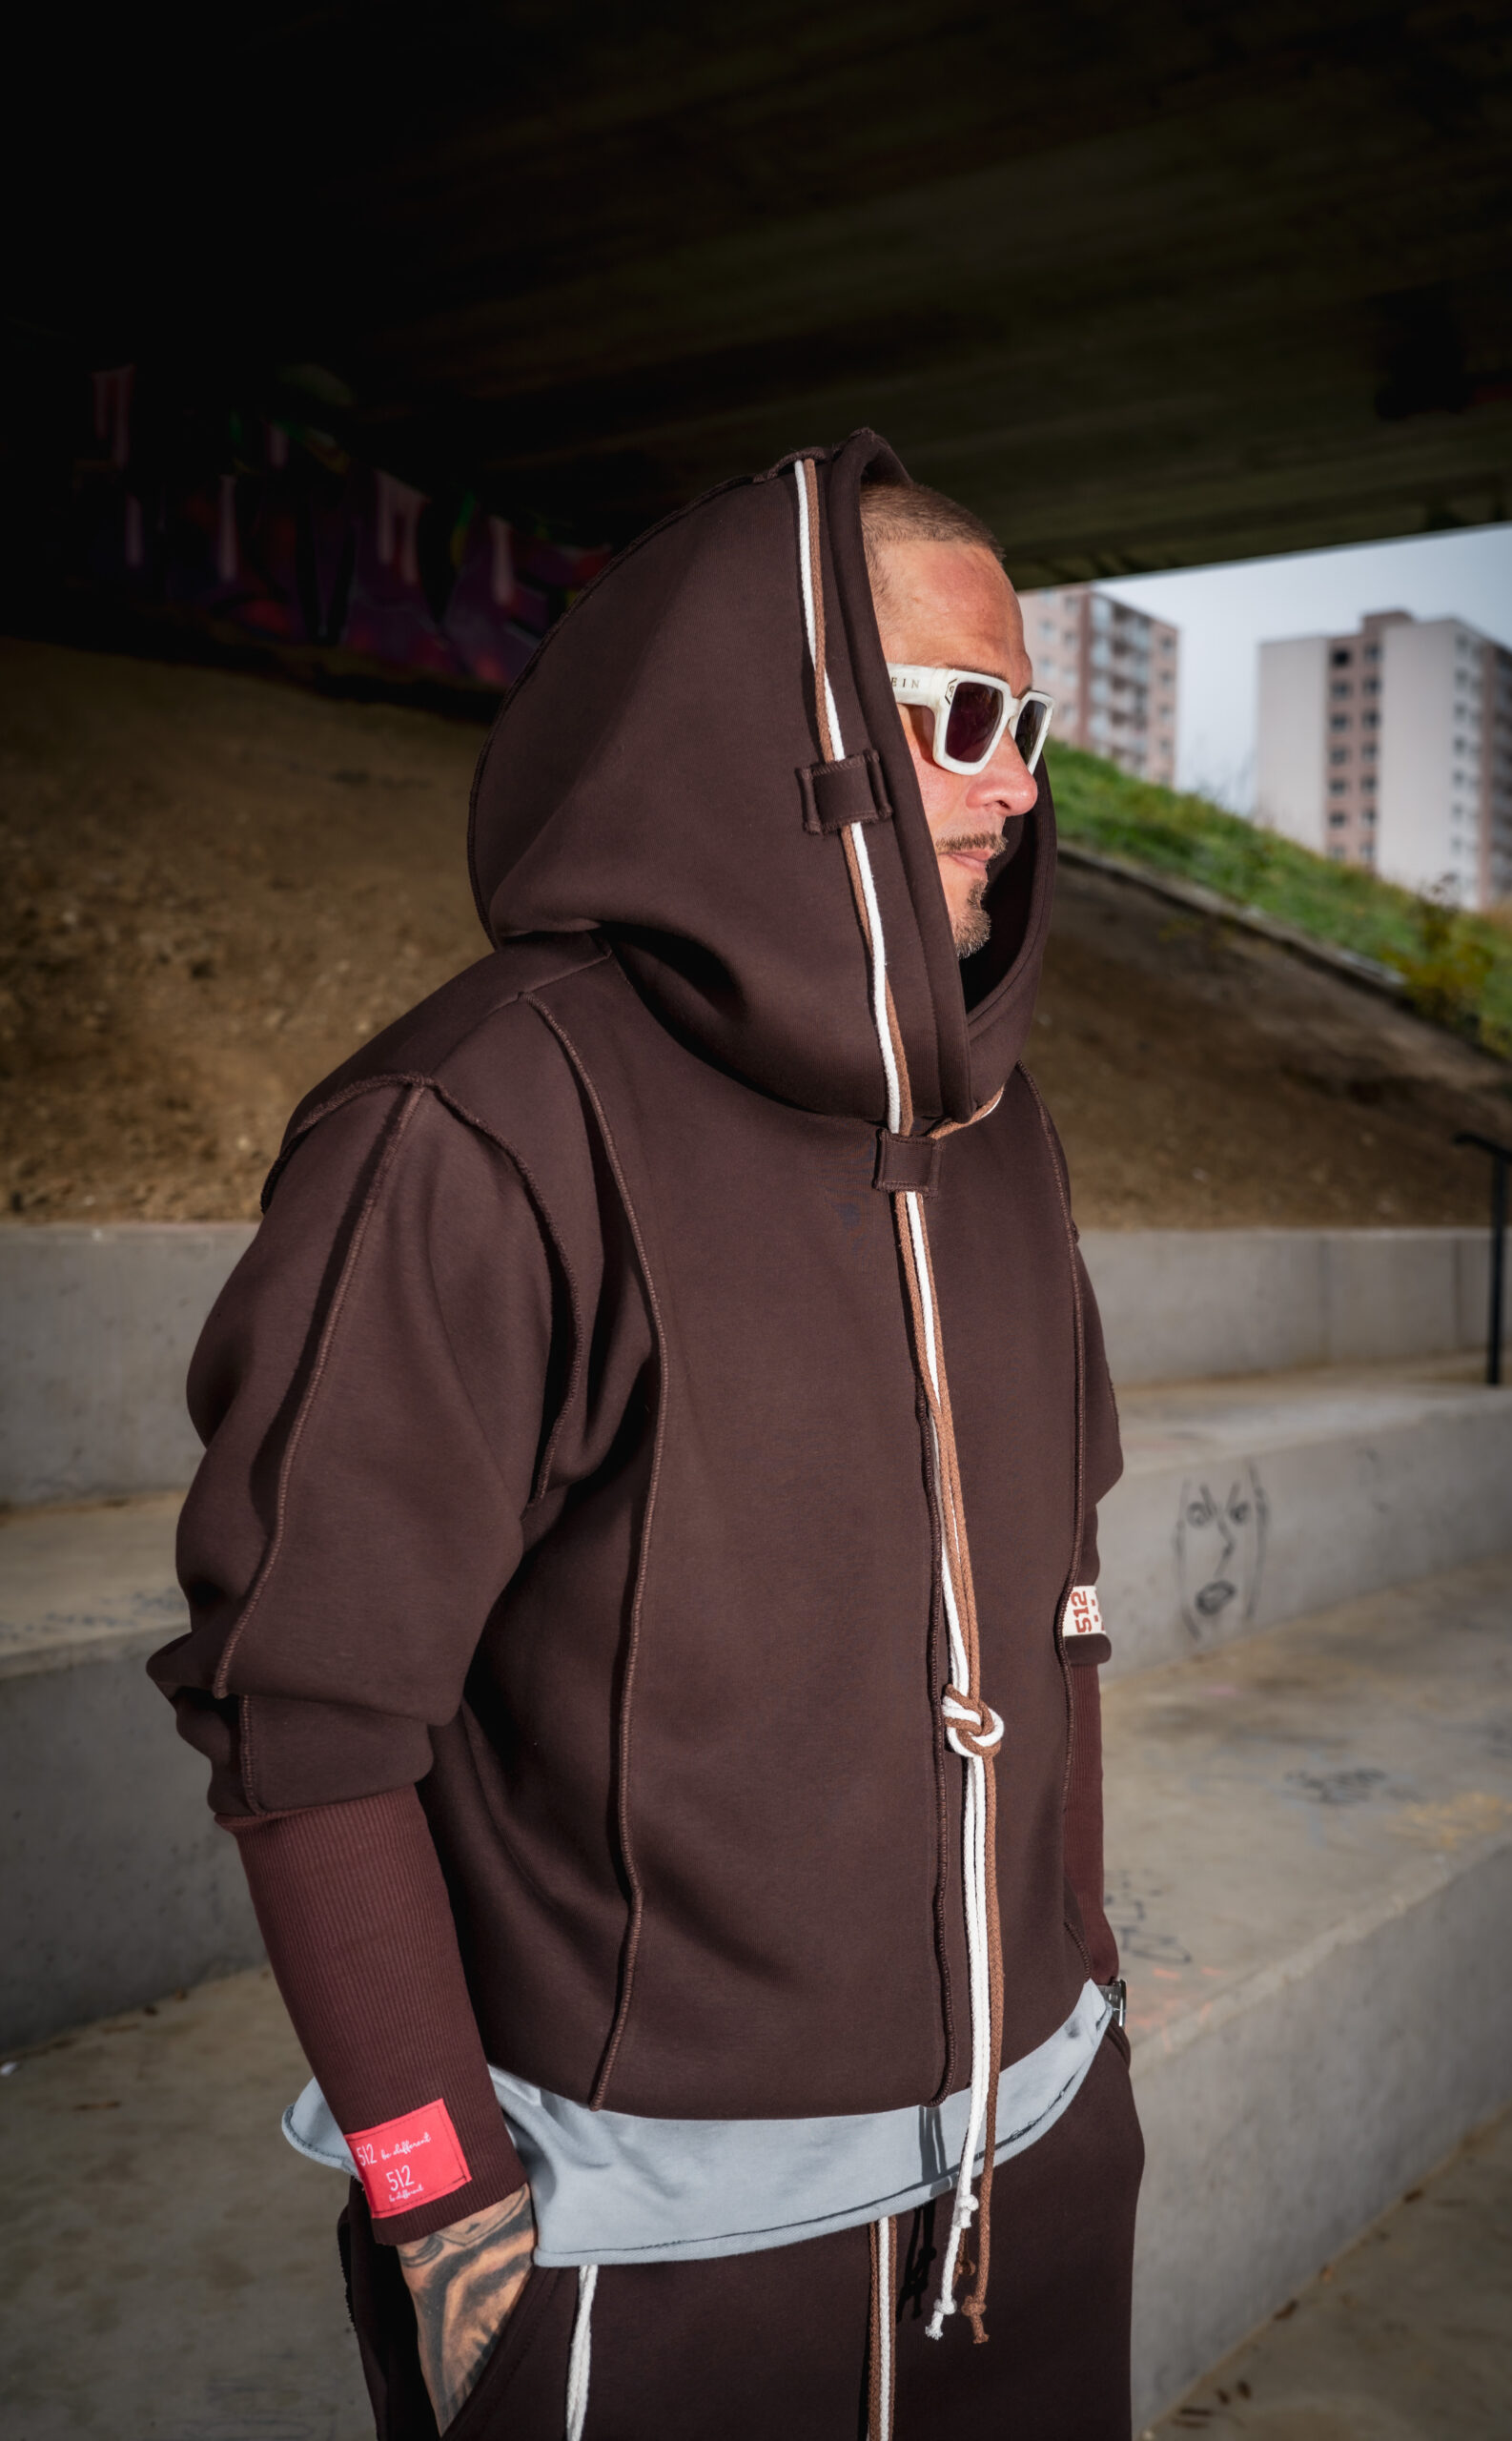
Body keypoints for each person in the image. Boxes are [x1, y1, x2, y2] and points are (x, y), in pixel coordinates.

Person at [153, 429, 1140, 2441]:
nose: (1019, 786)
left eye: (1028, 726)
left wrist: (1085, 1991)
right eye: (963, 719)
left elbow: (1066, 1608)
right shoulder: (475, 1124)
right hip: (655, 2265)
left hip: (1034, 2187)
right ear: (792, 721)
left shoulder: (1000, 1129)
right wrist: (441, 2210)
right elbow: (305, 1713)